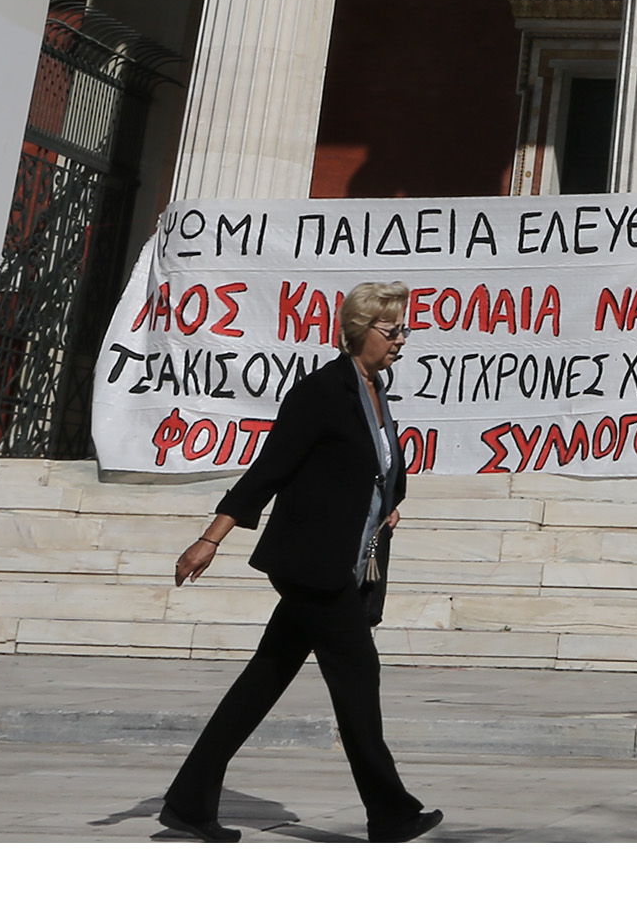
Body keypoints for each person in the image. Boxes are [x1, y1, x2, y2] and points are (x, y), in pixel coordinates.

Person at [157, 280, 440, 844]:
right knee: (358, 674)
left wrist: (384, 505)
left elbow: (367, 469)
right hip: (313, 563)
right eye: (393, 331)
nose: (402, 341)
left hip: (344, 558)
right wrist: (210, 539)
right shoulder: (322, 390)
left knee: (264, 678)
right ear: (361, 332)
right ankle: (390, 812)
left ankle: (189, 800)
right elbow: (271, 469)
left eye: (405, 330)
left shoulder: (374, 389)